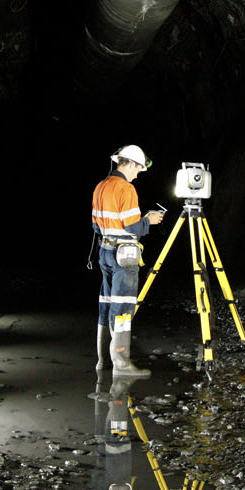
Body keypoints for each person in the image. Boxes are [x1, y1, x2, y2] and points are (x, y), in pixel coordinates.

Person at [91, 145, 164, 377]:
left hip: (104, 252)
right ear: (130, 164)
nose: (138, 173)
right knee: (122, 308)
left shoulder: (100, 186)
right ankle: (121, 365)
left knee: (106, 304)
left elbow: (96, 225)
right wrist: (149, 220)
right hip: (123, 256)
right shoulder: (126, 188)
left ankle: (103, 362)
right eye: (139, 169)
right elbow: (132, 226)